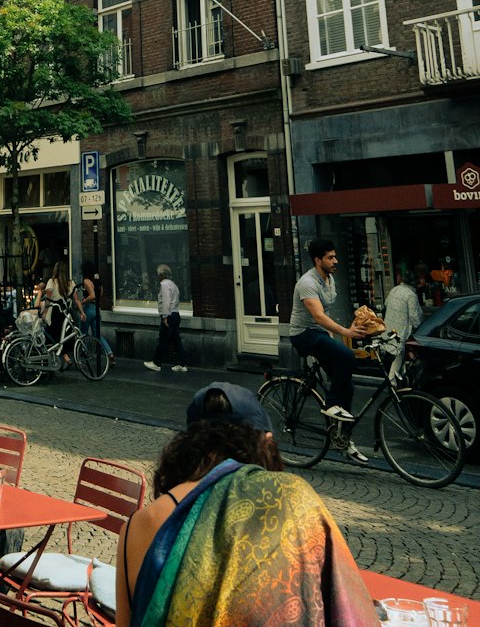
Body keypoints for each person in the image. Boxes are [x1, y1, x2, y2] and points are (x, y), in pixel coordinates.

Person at [115, 381, 375, 627]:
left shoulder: (138, 525)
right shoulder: (288, 499)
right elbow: (345, 605)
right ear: (267, 441)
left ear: (187, 444)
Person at [289, 238, 368, 464]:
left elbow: (324, 316)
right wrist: (345, 332)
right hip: (303, 334)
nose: (336, 261)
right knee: (347, 355)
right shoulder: (307, 282)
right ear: (317, 260)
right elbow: (318, 316)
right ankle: (329, 405)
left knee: (348, 387)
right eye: (330, 258)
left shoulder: (329, 279)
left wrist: (331, 334)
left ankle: (342, 438)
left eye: (335, 256)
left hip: (318, 334)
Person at [143, 264, 187, 373]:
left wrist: (165, 317)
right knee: (176, 340)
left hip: (169, 315)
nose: (158, 277)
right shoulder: (174, 285)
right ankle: (182, 364)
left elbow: (166, 301)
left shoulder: (164, 284)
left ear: (162, 275)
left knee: (162, 339)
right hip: (176, 314)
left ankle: (156, 363)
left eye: (158, 275)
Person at [384, 268, 423, 380]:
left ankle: (395, 380)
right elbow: (414, 317)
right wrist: (421, 329)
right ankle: (393, 382)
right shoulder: (411, 295)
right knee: (399, 356)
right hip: (401, 331)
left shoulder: (394, 290)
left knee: (395, 355)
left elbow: (386, 304)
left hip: (390, 329)